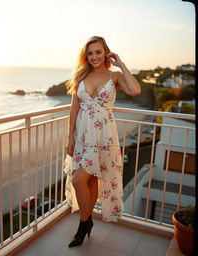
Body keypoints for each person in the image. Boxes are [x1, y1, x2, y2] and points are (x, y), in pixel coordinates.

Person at [63, 36, 141, 247]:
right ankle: (86, 223)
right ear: (85, 56)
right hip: (82, 137)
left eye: (98, 52)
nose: (94, 56)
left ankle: (83, 224)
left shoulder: (114, 76)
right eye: (90, 53)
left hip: (104, 137)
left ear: (106, 52)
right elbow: (74, 109)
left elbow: (135, 90)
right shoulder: (81, 76)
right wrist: (70, 137)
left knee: (82, 179)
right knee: (85, 180)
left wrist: (121, 64)